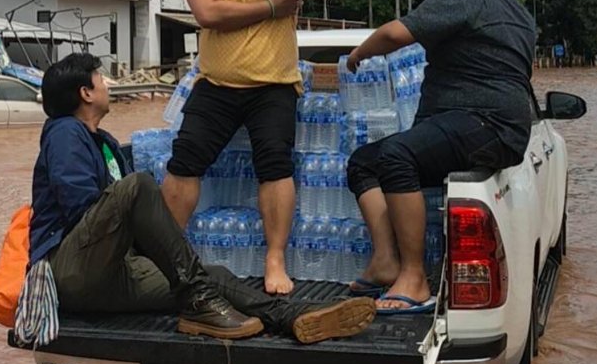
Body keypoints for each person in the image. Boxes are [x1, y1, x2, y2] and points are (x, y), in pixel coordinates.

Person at [21, 52, 375, 347]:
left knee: (213, 273)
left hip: (109, 269)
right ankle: (198, 302)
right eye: (100, 78)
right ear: (85, 92)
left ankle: (289, 316)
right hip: (70, 270)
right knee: (139, 186)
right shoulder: (66, 132)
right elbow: (81, 210)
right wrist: (142, 233)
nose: (107, 85)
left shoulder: (104, 142)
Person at [344, 0, 536, 314]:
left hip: (484, 123)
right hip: (500, 127)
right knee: (365, 162)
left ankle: (413, 279)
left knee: (398, 154)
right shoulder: (521, 14)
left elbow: (392, 34)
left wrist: (358, 54)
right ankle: (385, 262)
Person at [160, 0, 334, 294]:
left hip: (274, 86)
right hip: (216, 85)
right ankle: (166, 257)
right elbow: (209, 12)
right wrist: (274, 7)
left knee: (275, 163)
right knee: (184, 159)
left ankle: (275, 261)